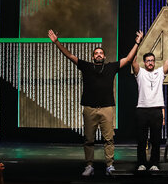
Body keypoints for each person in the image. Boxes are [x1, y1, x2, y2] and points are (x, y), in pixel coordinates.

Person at [47, 29, 143, 176]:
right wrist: (57, 42)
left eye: (100, 53)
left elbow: (129, 58)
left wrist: (137, 42)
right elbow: (69, 56)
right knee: (88, 140)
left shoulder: (111, 67)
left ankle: (110, 165)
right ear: (93, 57)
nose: (98, 54)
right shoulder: (86, 66)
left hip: (107, 109)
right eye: (96, 53)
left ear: (104, 56)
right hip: (89, 108)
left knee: (109, 139)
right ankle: (89, 165)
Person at [131, 34, 168, 171]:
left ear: (154, 62)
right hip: (142, 110)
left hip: (156, 110)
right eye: (147, 61)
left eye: (152, 60)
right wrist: (137, 43)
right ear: (144, 62)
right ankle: (141, 163)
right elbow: (132, 60)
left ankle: (154, 164)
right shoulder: (140, 73)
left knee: (156, 141)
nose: (150, 62)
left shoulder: (160, 72)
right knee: (141, 140)